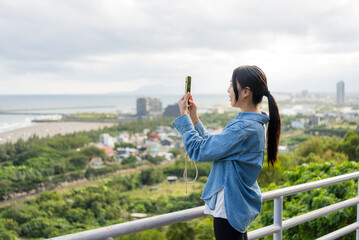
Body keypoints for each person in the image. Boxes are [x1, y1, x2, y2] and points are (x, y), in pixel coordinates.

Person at [172, 65, 281, 240]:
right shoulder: (251, 124)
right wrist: (194, 118)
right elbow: (216, 147)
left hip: (229, 207)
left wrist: (184, 117)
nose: (228, 90)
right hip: (237, 206)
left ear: (245, 91)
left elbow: (199, 150)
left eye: (231, 85)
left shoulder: (244, 128)